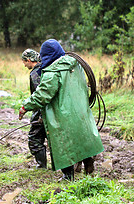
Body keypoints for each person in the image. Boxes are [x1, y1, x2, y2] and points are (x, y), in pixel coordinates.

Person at [19, 39, 104, 181]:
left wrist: (24, 107)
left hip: (62, 114)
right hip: (80, 111)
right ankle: (89, 166)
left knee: (63, 144)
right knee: (82, 137)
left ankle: (68, 175)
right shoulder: (76, 66)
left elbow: (42, 95)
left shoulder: (52, 72)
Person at [21, 49, 47, 169]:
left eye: (24, 62)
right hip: (53, 110)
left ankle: (41, 166)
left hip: (42, 111)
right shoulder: (46, 68)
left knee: (34, 138)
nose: (24, 65)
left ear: (29, 60)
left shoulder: (36, 73)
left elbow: (40, 96)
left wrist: (40, 115)